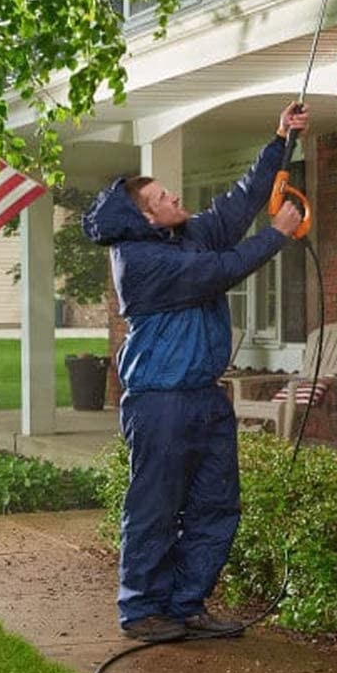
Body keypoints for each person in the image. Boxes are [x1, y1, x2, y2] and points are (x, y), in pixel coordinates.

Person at [81, 102, 309, 642]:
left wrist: (280, 142)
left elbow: (235, 208)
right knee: (155, 507)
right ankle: (142, 611)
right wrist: (276, 234)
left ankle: (185, 604)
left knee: (215, 504)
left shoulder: (179, 235)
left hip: (205, 397)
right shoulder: (141, 262)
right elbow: (220, 270)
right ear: (143, 218)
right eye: (162, 198)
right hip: (160, 401)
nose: (174, 197)